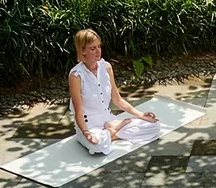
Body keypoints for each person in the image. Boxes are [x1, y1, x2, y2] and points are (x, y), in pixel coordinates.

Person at [69, 28, 160, 156]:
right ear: (83, 50)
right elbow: (78, 112)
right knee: (97, 145)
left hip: (110, 120)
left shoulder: (106, 67)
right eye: (93, 48)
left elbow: (117, 99)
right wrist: (86, 132)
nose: (98, 51)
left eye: (99, 46)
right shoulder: (76, 75)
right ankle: (113, 131)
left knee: (154, 126)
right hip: (89, 125)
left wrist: (141, 115)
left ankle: (111, 132)